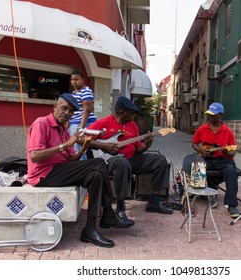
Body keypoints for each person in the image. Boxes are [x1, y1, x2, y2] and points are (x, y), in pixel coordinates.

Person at [26, 93, 132, 248]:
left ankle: (90, 229)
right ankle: (108, 212)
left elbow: (71, 160)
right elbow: (35, 156)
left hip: (61, 170)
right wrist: (66, 145)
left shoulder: (64, 129)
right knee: (99, 163)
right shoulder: (41, 124)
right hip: (44, 174)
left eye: (71, 111)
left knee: (95, 175)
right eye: (64, 108)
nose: (67, 113)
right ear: (55, 108)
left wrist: (83, 147)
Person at [88, 96, 173, 225]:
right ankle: (120, 208)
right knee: (122, 164)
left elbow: (139, 150)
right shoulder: (103, 123)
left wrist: (147, 144)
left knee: (161, 160)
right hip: (109, 161)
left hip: (131, 160)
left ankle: (154, 202)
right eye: (131, 113)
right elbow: (83, 139)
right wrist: (104, 146)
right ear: (121, 112)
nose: (133, 116)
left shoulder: (132, 125)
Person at [191, 102, 240, 218]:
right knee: (197, 167)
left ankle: (231, 205)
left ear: (221, 115)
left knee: (231, 172)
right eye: (209, 114)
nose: (210, 116)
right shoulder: (203, 129)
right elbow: (194, 143)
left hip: (224, 160)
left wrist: (226, 152)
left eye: (213, 114)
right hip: (207, 159)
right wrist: (201, 150)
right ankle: (198, 194)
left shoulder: (227, 131)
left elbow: (233, 151)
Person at [68, 69, 97, 160]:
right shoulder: (74, 92)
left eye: (77, 79)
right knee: (75, 147)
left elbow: (87, 110)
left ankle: (81, 168)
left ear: (83, 80)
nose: (74, 82)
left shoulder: (86, 91)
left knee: (79, 147)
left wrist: (81, 128)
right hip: (74, 123)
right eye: (72, 80)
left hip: (83, 123)